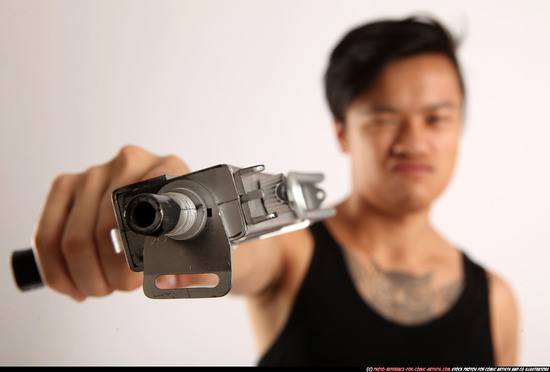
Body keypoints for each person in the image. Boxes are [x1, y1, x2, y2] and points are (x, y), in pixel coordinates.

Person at [32, 16, 519, 366]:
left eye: (436, 118)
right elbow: (230, 253)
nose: (413, 141)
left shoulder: (496, 299)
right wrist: (175, 218)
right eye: (384, 118)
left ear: (459, 129)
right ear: (343, 132)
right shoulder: (291, 252)